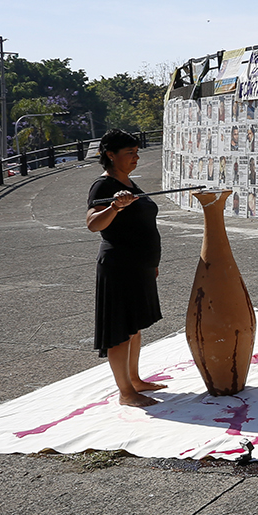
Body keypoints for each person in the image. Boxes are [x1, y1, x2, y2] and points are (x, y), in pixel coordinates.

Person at [85, 131, 167, 407]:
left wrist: (151, 264)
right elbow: (93, 224)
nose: (136, 157)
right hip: (118, 266)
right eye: (130, 152)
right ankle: (125, 392)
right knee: (119, 331)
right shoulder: (103, 186)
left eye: (136, 151)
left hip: (140, 266)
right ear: (111, 154)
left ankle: (135, 379)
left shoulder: (130, 183)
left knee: (134, 327)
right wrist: (114, 207)